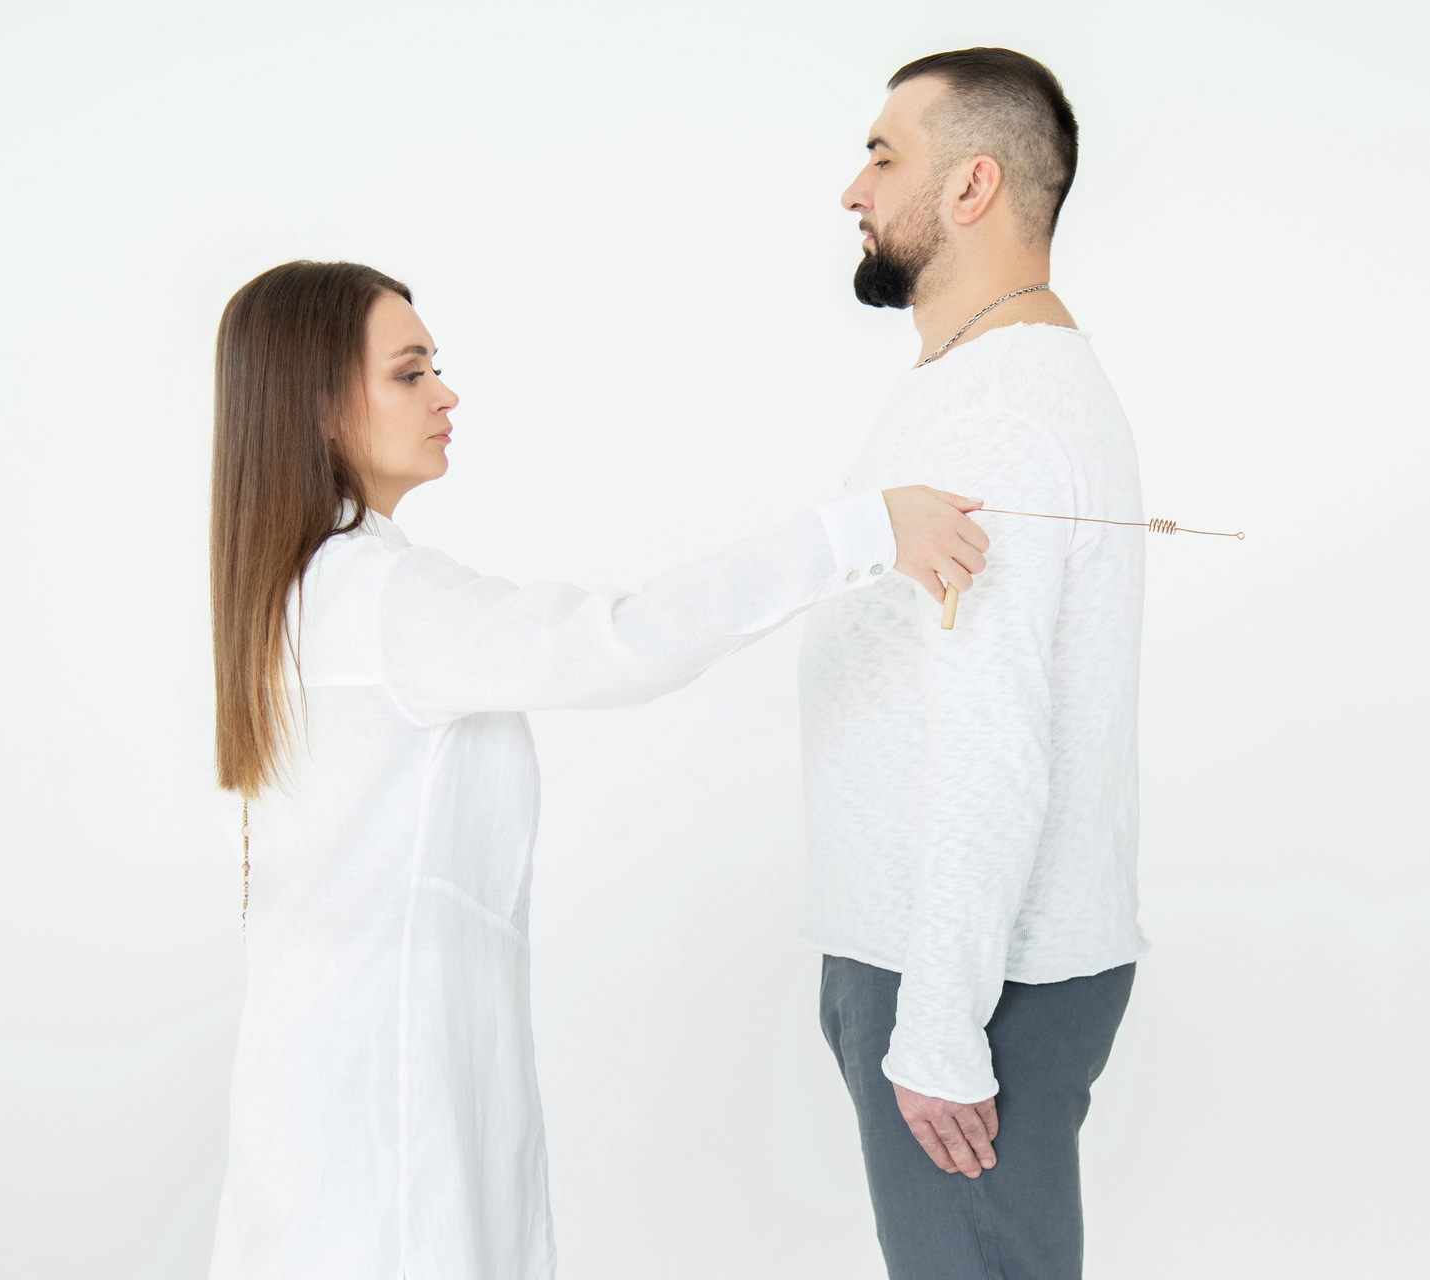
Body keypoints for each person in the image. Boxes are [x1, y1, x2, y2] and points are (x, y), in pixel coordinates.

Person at [204, 260, 989, 1279]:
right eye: (409, 372)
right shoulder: (377, 599)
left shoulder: (302, 597)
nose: (447, 394)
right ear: (316, 407)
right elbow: (619, 641)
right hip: (381, 1111)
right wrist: (860, 531)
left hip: (324, 1096)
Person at [800, 48, 1148, 1279]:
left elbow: (993, 736)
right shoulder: (996, 380)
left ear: (972, 186)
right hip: (951, 958)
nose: (853, 189)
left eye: (883, 155)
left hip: (966, 977)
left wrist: (941, 1026)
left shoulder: (996, 410)